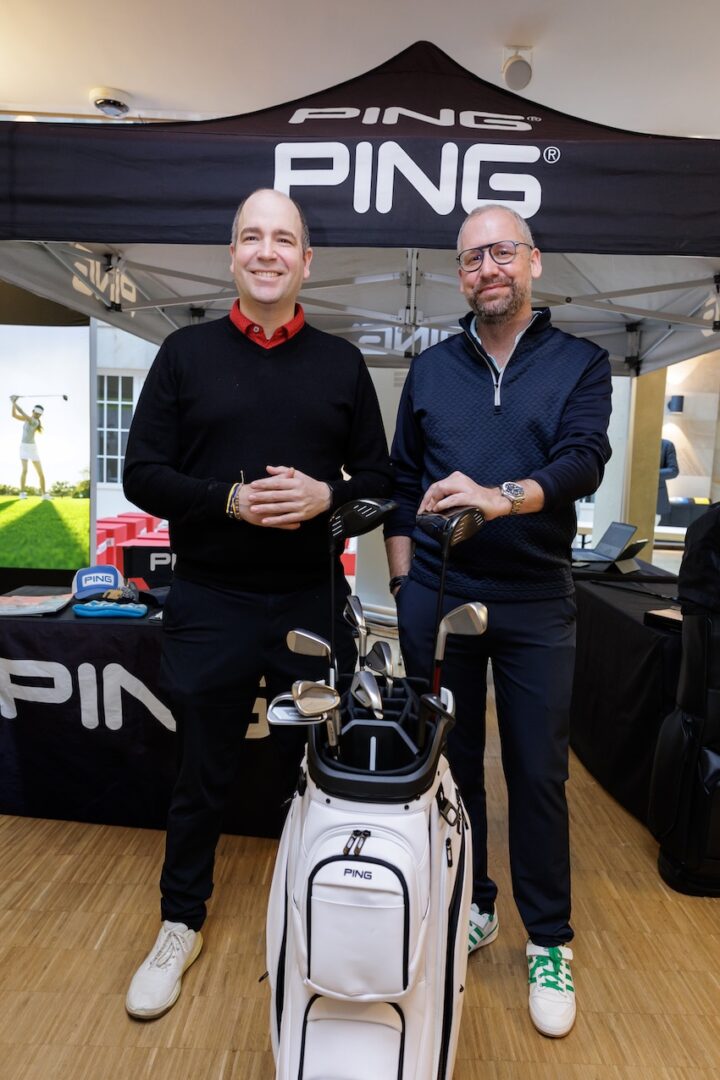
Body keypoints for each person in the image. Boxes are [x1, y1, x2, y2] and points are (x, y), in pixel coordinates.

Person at [122, 188, 392, 1020]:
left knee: (315, 775)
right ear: (232, 254)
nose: (266, 251)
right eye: (251, 237)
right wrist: (227, 501)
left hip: (311, 601)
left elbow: (379, 487)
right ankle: (180, 923)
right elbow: (143, 474)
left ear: (306, 261)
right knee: (201, 773)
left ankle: (318, 917)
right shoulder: (183, 354)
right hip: (211, 599)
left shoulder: (341, 364)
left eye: (283, 239)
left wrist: (328, 498)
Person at [384, 204, 612, 1039]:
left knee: (537, 773)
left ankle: (548, 938)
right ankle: (473, 902)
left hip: (537, 598)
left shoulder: (581, 363)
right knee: (451, 767)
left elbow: (583, 460)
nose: (489, 268)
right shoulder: (431, 369)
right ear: (460, 275)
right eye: (473, 258)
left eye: (502, 252)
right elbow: (401, 482)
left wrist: (498, 498)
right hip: (440, 595)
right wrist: (405, 584)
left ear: (534, 262)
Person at [10, 397, 49, 498]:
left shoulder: (35, 421)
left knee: (40, 472)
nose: (37, 415)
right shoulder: (27, 419)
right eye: (36, 413)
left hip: (32, 449)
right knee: (25, 470)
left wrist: (13, 401)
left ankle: (44, 494)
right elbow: (14, 415)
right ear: (33, 411)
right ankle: (22, 493)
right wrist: (13, 404)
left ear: (40, 415)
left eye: (39, 414)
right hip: (23, 447)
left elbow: (21, 411)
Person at [657, 437, 679, 524]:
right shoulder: (634, 442)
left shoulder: (666, 445)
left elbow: (674, 471)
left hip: (657, 500)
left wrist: (651, 475)